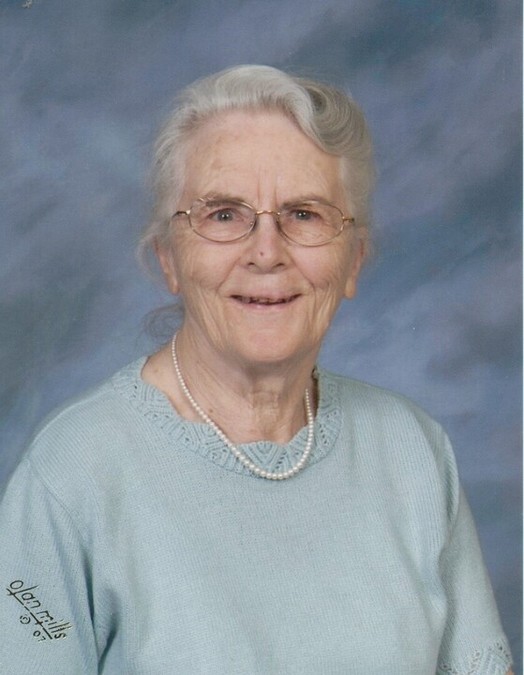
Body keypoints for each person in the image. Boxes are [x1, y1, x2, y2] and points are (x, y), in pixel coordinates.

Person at [0, 65, 513, 674]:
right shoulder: (71, 474)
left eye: (304, 214)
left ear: (354, 260)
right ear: (169, 258)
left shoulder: (413, 451)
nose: (266, 252)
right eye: (223, 214)